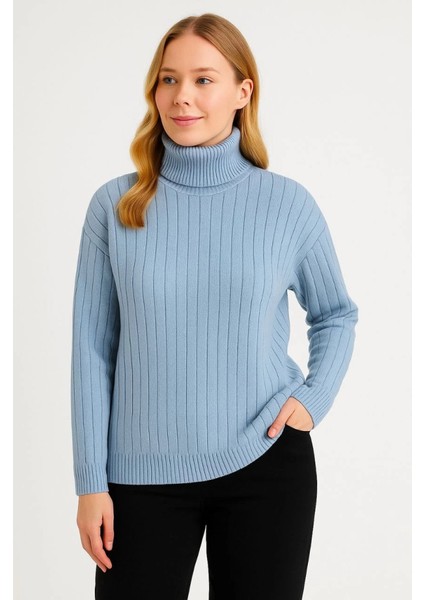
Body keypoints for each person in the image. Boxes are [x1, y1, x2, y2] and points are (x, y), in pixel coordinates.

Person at [71, 12, 359, 600]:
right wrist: (89, 482)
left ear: (242, 92)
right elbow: (91, 351)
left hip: (266, 463)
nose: (182, 97)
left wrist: (312, 400)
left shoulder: (287, 205)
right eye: (169, 79)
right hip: (139, 477)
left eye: (203, 79)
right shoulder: (115, 206)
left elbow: (335, 314)